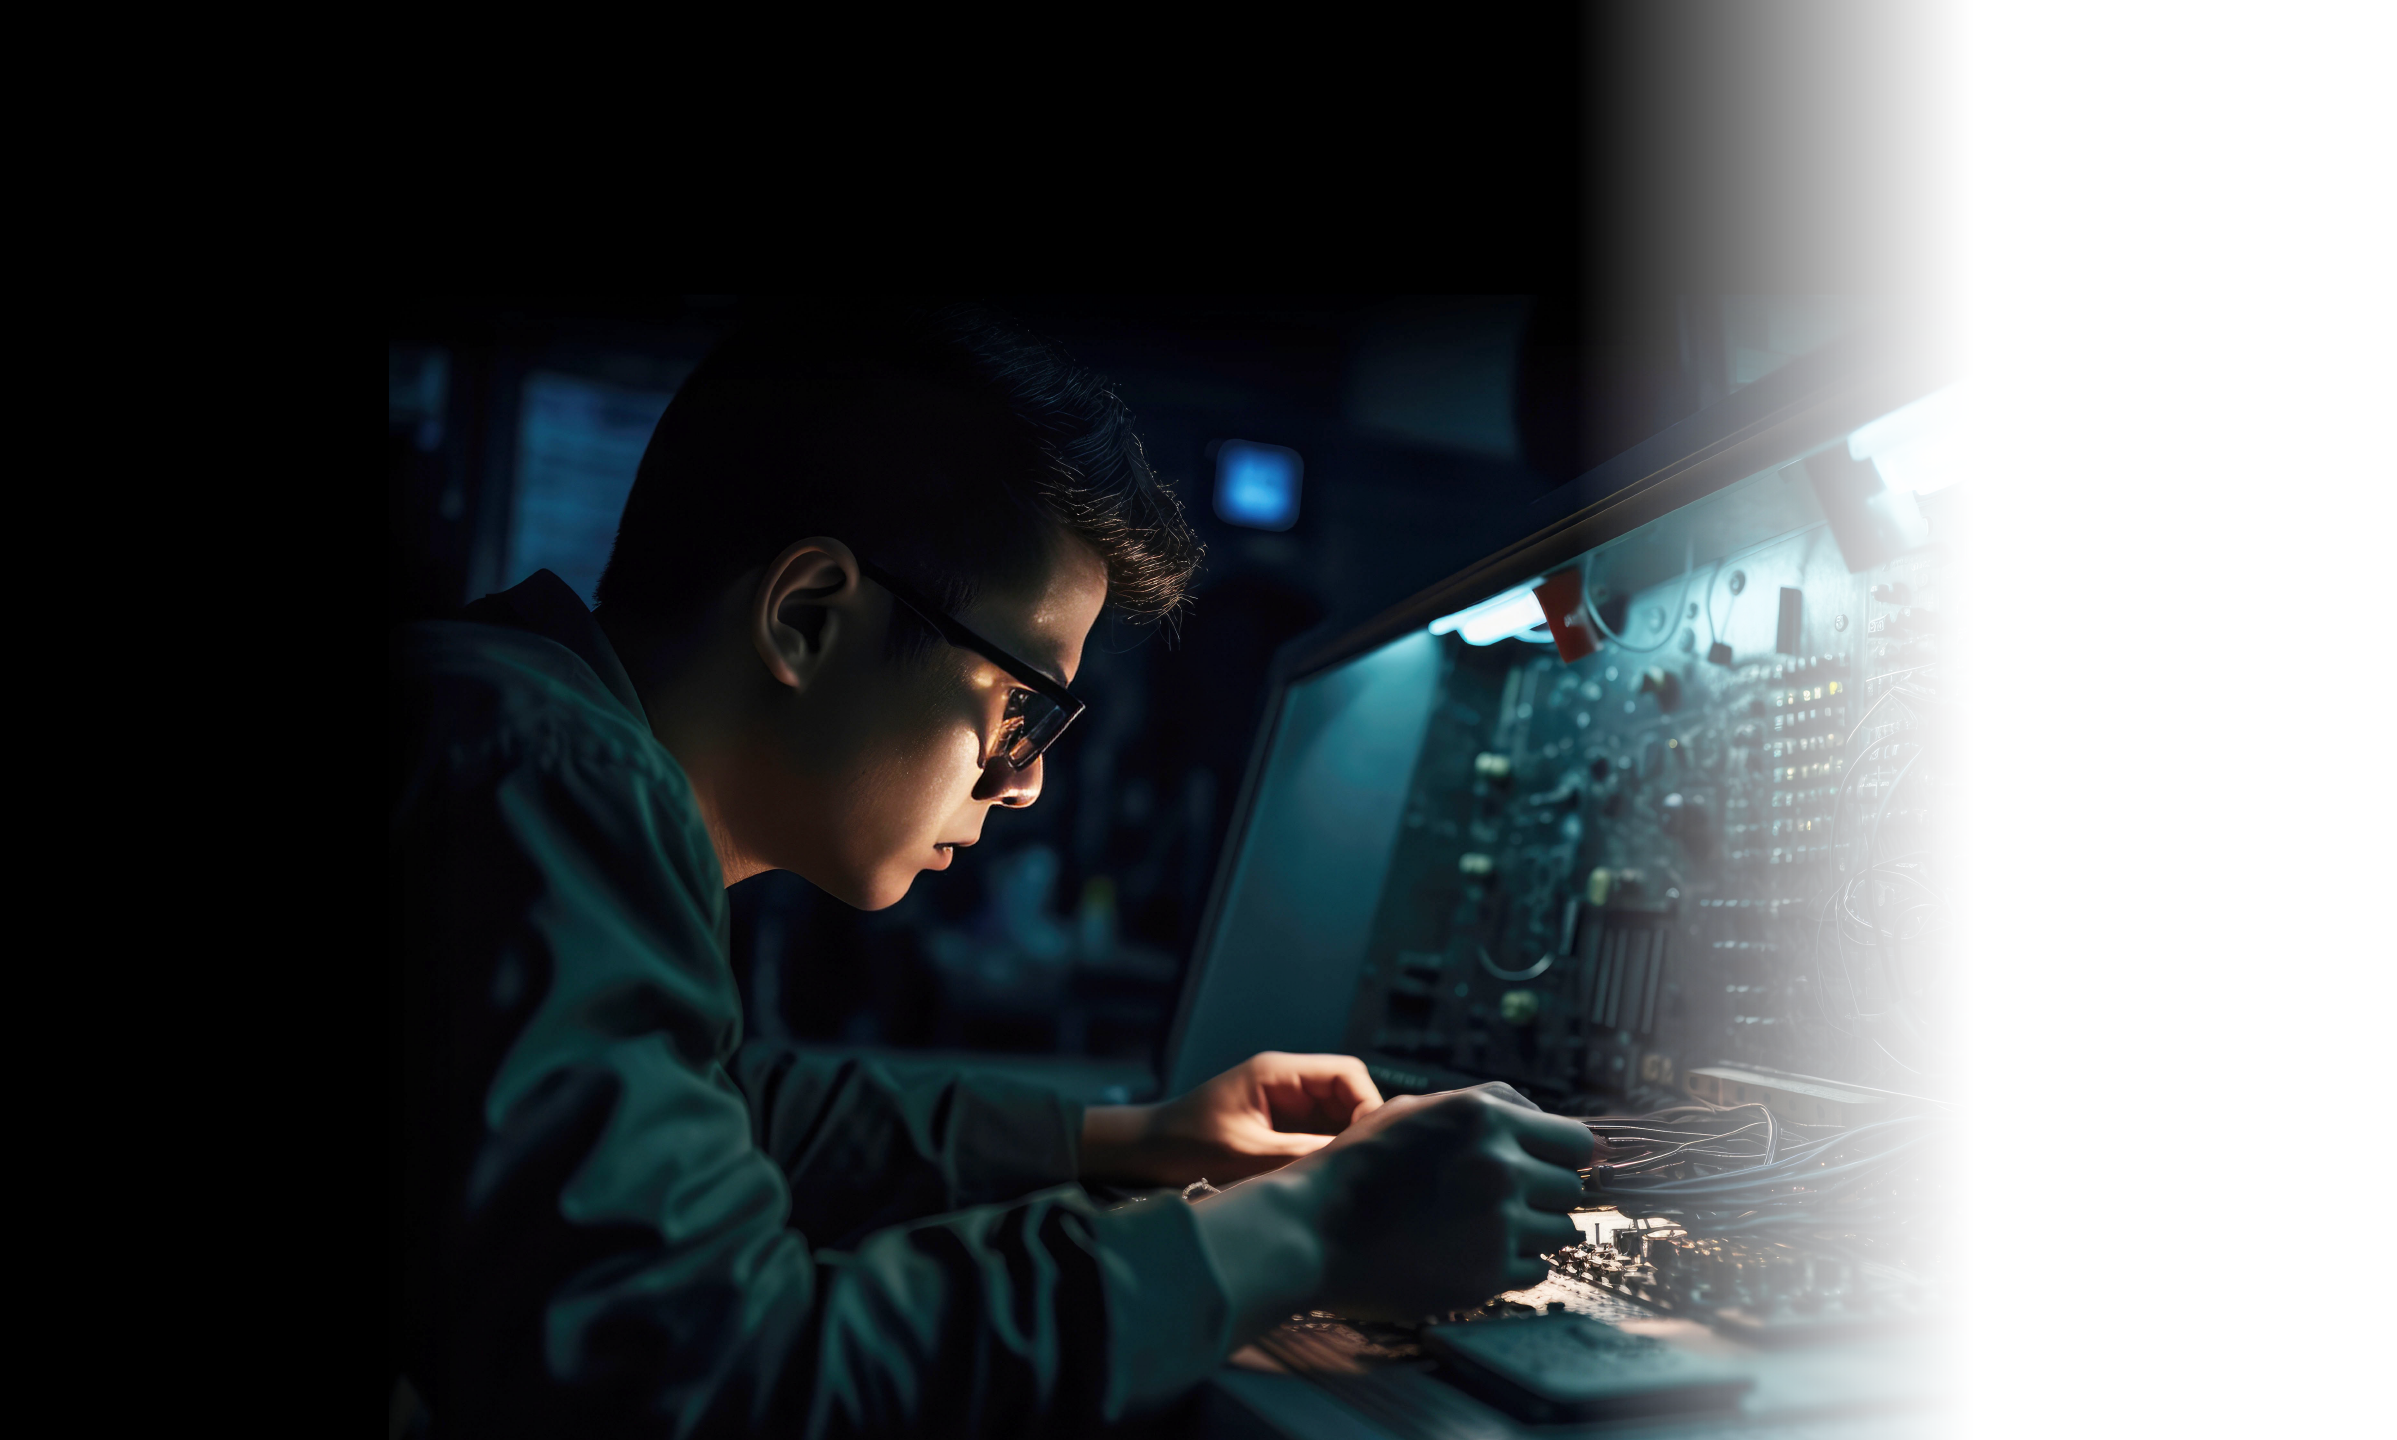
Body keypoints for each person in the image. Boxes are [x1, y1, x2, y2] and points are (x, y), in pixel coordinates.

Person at [388, 304, 1594, 1437]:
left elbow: (738, 1108)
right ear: (807, 615)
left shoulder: (518, 735)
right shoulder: (539, 772)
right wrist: (1311, 1229)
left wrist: (1142, 1137)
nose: (1024, 785)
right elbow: (708, 1373)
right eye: (1024, 708)